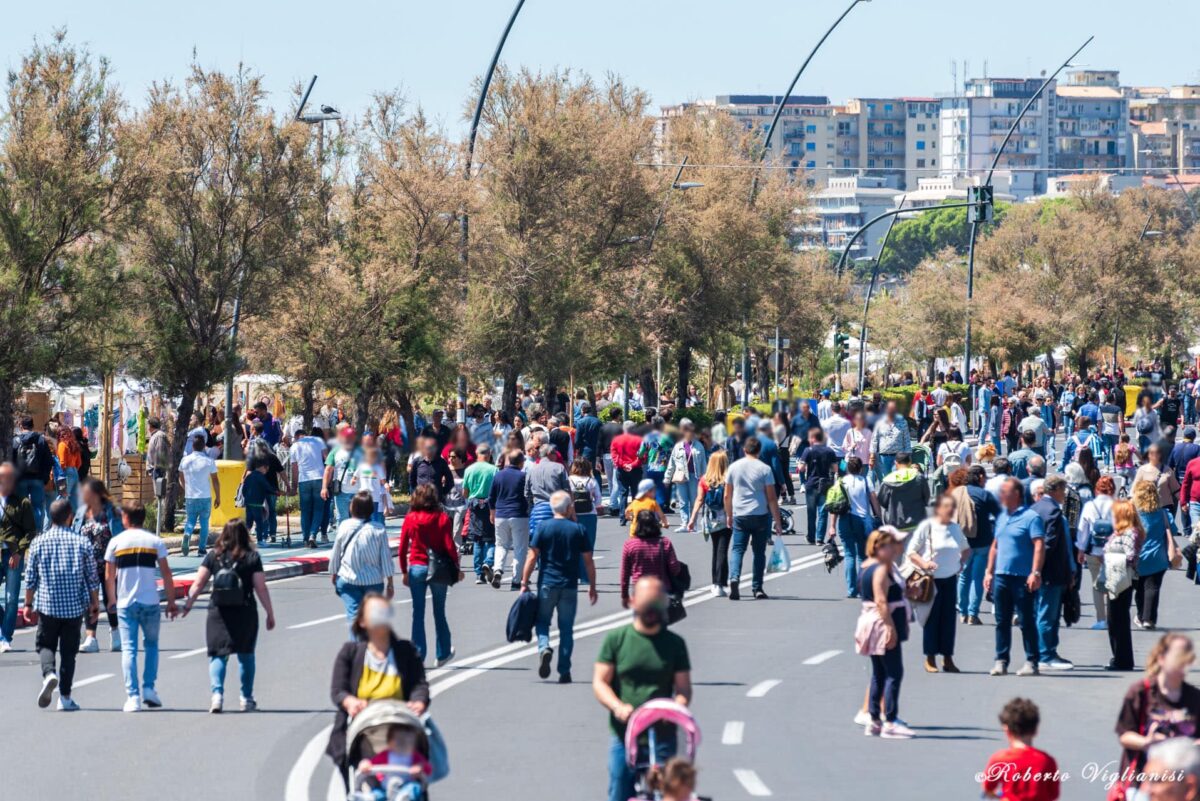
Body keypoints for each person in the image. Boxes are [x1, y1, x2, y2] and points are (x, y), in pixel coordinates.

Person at [593, 576, 692, 801]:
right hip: (625, 733)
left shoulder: (674, 644)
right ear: (633, 602)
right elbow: (600, 682)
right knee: (619, 790)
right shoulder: (617, 639)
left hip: (664, 734)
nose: (652, 612)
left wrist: (677, 708)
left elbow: (683, 689)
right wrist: (617, 707)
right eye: (647, 605)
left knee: (671, 794)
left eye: (657, 606)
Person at [326, 594, 430, 785]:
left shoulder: (405, 651)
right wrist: (350, 702)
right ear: (363, 621)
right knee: (363, 756)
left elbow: (419, 684)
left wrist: (419, 701)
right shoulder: (351, 652)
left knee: (414, 763)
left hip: (399, 721)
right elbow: (338, 689)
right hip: (365, 724)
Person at [180, 520, 275, 712]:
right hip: (245, 610)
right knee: (246, 655)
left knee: (218, 654)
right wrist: (269, 613)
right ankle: (246, 698)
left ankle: (217, 696)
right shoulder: (252, 557)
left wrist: (188, 604)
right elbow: (260, 587)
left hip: (218, 611)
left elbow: (199, 583)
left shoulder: (214, 556)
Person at [23, 499, 98, 711]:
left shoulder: (38, 543)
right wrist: (94, 603)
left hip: (47, 605)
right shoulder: (82, 543)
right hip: (74, 607)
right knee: (68, 652)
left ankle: (49, 673)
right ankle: (65, 697)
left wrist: (28, 603)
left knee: (46, 645)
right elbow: (92, 578)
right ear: (69, 517)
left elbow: (31, 578)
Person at [103, 501, 177, 712]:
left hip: (126, 603)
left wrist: (111, 599)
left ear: (126, 518)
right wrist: (171, 601)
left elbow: (109, 575)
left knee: (129, 649)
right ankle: (149, 688)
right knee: (152, 645)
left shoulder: (116, 542)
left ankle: (132, 696)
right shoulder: (154, 541)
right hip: (151, 601)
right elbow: (166, 573)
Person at [520, 490, 598, 683]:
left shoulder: (543, 527)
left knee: (542, 622)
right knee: (566, 628)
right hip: (569, 585)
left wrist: (524, 581)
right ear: (569, 507)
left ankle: (544, 647)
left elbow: (532, 556)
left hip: (547, 582)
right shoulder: (578, 529)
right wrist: (592, 586)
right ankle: (564, 670)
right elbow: (588, 560)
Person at [1115, 634, 1200, 795]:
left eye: (1187, 659)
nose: (1183, 664)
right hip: (1143, 782)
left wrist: (1193, 745)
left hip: (1181, 788)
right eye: (1178, 658)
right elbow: (1125, 735)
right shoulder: (1141, 692)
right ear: (1161, 658)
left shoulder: (1195, 697)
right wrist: (1146, 742)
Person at [984, 478, 1045, 677]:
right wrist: (989, 572)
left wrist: (1035, 572)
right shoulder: (1001, 517)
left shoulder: (1031, 517)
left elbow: (1038, 545)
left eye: (1005, 492)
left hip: (1022, 577)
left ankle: (1031, 660)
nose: (1001, 495)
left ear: (1017, 494)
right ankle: (1001, 660)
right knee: (1001, 621)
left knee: (1026, 620)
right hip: (1002, 576)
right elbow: (995, 545)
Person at [857, 527, 914, 739]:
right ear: (879, 547)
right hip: (883, 623)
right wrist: (890, 628)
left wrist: (908, 592)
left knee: (879, 673)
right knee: (893, 673)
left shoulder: (868, 566)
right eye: (892, 545)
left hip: (874, 621)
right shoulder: (881, 569)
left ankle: (874, 720)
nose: (897, 548)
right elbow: (881, 600)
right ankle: (890, 721)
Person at [906, 493, 970, 673]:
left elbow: (966, 549)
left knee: (948, 620)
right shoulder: (927, 527)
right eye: (947, 507)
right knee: (932, 619)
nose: (950, 510)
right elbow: (911, 552)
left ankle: (948, 658)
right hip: (930, 581)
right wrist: (924, 563)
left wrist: (961, 564)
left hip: (950, 580)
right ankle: (930, 657)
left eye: (952, 507)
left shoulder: (955, 528)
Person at [723, 435, 784, 601]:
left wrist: (729, 514)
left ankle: (734, 578)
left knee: (737, 549)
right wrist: (777, 522)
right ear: (759, 451)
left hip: (740, 514)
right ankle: (757, 587)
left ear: (744, 450)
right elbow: (771, 498)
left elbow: (727, 494)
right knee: (759, 552)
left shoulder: (734, 467)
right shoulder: (765, 469)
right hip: (760, 514)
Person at [330, 491, 395, 634]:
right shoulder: (378, 529)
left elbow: (336, 553)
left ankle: (357, 649)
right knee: (371, 617)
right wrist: (390, 582)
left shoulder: (344, 526)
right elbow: (386, 559)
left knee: (354, 616)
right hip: (373, 581)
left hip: (348, 579)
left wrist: (334, 573)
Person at [1031, 475, 1076, 671]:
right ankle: (1046, 654)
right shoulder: (1054, 513)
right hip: (1051, 572)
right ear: (1054, 490)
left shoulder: (1035, 509)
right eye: (1062, 490)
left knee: (1040, 612)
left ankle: (1044, 651)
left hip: (1038, 570)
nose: (1064, 495)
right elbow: (1049, 545)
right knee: (1048, 614)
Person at [75, 477, 123, 653]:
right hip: (87, 566)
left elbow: (119, 537)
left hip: (109, 563)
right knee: (89, 601)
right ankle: (91, 638)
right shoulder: (81, 512)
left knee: (112, 598)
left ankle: (116, 633)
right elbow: (75, 535)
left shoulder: (111, 511)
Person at [980, 698, 1062, 801]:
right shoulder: (1047, 761)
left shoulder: (999, 759)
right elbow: (1053, 794)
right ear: (1036, 730)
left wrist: (1001, 795)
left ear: (1007, 730)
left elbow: (988, 788)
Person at [956, 465, 1001, 626]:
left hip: (962, 541)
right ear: (980, 477)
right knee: (977, 577)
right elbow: (999, 515)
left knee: (963, 576)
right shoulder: (984, 495)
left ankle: (962, 611)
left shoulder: (957, 493)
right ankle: (973, 613)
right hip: (983, 540)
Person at [1133, 479, 1180, 631]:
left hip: (1138, 556)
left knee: (1140, 587)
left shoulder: (1135, 514)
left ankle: (1141, 615)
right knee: (1153, 587)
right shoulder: (1163, 513)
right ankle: (1149, 618)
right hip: (1158, 556)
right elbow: (1172, 530)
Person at [0, 462, 36, 653]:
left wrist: (18, 552)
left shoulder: (22, 503)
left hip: (12, 554)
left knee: (12, 598)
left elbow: (30, 532)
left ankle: (5, 637)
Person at [831, 456, 879, 598]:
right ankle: (863, 587)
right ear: (860, 468)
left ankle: (851, 589)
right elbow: (874, 500)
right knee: (862, 555)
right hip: (862, 520)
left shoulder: (840, 482)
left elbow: (834, 505)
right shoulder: (866, 481)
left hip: (845, 519)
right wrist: (878, 517)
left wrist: (832, 526)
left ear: (847, 468)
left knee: (849, 554)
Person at [688, 449, 732, 597]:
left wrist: (692, 518)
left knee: (716, 549)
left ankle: (716, 583)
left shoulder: (704, 479)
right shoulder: (729, 479)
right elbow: (729, 499)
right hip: (726, 518)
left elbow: (699, 500)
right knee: (722, 550)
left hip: (710, 519)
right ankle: (720, 583)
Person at [1077, 475, 1116, 631]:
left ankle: (1101, 619)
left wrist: (1080, 550)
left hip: (1094, 550)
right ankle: (1113, 616)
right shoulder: (1117, 505)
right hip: (1113, 551)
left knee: (1096, 584)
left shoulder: (1090, 506)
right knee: (1114, 584)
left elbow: (1083, 530)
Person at [487, 449, 529, 590]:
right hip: (519, 515)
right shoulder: (523, 476)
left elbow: (491, 497)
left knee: (501, 545)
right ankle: (516, 581)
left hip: (501, 514)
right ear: (521, 462)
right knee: (520, 548)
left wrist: (492, 513)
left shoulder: (498, 475)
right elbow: (528, 495)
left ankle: (498, 569)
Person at [179, 434, 220, 556]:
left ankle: (187, 534)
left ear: (193, 446)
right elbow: (215, 480)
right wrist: (218, 496)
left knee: (190, 520)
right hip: (205, 495)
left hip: (190, 495)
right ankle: (201, 549)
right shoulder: (209, 461)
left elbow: (180, 476)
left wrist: (185, 487)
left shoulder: (185, 460)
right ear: (204, 447)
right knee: (204, 523)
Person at [463, 443, 498, 583]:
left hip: (475, 505)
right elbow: (497, 490)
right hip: (490, 505)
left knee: (477, 539)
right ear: (489, 454)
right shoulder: (494, 470)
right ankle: (488, 561)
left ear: (477, 454)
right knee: (491, 538)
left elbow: (465, 493)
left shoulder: (469, 470)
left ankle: (479, 574)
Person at [11, 416, 53, 531]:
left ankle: (22, 531)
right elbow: (49, 460)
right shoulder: (40, 440)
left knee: (21, 505)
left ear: (21, 426)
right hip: (37, 479)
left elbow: (10, 460)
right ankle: (36, 531)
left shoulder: (15, 440)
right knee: (38, 507)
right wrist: (44, 478)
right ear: (32, 425)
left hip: (20, 479)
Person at [797, 428, 837, 545]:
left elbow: (802, 468)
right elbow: (835, 468)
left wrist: (801, 464)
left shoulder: (808, 450)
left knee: (811, 512)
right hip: (825, 484)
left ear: (813, 438)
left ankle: (811, 537)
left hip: (811, 484)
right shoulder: (830, 451)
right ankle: (820, 538)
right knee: (823, 512)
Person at [665, 419, 706, 532]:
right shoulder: (678, 446)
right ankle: (684, 523)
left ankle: (693, 524)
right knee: (683, 501)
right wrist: (667, 478)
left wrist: (706, 478)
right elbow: (672, 463)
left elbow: (703, 463)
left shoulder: (699, 446)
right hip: (681, 476)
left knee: (694, 501)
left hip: (695, 476)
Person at [292, 427, 329, 547]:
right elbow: (327, 459)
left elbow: (294, 468)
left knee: (305, 511)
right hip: (319, 478)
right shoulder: (318, 441)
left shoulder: (295, 447)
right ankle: (313, 534)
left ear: (296, 437)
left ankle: (305, 537)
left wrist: (294, 485)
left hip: (304, 480)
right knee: (319, 509)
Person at [567, 457, 602, 583]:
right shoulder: (591, 481)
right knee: (588, 546)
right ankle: (585, 577)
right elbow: (598, 500)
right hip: (589, 514)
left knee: (572, 545)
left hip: (573, 515)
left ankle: (572, 574)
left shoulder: (569, 480)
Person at [878, 452, 930, 533]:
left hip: (896, 524)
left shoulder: (887, 480)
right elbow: (927, 498)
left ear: (896, 463)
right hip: (917, 523)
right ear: (910, 462)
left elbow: (882, 501)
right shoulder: (919, 477)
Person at [323, 426, 362, 526]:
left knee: (358, 520)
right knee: (342, 519)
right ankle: (343, 541)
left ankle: (356, 540)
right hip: (341, 491)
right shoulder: (336, 451)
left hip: (359, 491)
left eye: (351, 437)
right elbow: (328, 469)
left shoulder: (361, 451)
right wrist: (324, 487)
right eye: (347, 437)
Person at [610, 421, 644, 525]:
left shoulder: (616, 440)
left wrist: (623, 465)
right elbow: (642, 456)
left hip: (621, 469)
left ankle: (623, 517)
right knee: (635, 493)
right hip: (636, 469)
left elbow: (614, 456)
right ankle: (635, 517)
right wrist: (632, 465)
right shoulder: (639, 440)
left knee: (623, 493)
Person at [869, 401, 911, 479]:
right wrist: (872, 456)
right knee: (887, 479)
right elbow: (874, 440)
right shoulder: (879, 423)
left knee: (897, 478)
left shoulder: (903, 423)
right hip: (884, 457)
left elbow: (907, 439)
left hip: (899, 456)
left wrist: (908, 456)